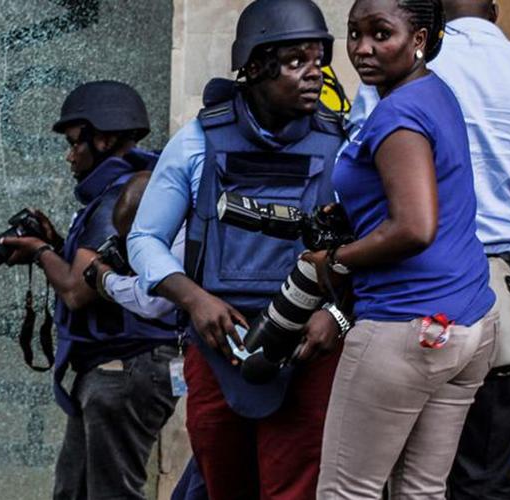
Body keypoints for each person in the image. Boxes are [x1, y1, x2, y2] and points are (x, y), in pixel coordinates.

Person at [346, 1, 510, 496]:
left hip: (408, 275)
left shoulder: (392, 66)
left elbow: (354, 165)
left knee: (378, 467)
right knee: (483, 469)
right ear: (496, 11)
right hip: (502, 278)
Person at [125, 0, 347, 497]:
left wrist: (337, 317)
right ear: (254, 67)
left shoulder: (343, 144)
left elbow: (371, 252)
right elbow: (143, 239)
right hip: (218, 347)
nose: (314, 74)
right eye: (296, 62)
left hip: (308, 351)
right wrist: (193, 299)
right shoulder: (199, 140)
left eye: (318, 59)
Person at [314, 0, 498, 496]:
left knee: (345, 492)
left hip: (404, 323)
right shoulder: (433, 93)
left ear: (419, 38)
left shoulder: (399, 113)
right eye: (354, 34)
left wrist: (333, 260)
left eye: (381, 34)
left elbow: (415, 227)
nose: (363, 49)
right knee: (421, 491)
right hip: (467, 324)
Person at [0, 81, 179, 500]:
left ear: (103, 139)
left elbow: (78, 292)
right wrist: (57, 242)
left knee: (111, 494)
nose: (69, 155)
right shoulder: (126, 190)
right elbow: (98, 274)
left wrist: (40, 251)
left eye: (73, 143)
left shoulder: (120, 196)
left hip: (127, 367)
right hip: (114, 367)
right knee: (73, 491)